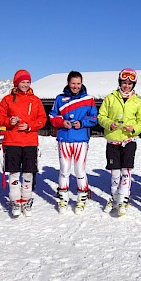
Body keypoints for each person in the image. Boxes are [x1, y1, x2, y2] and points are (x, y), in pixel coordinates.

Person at [0, 69, 47, 217]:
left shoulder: (35, 100)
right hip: (12, 141)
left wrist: (30, 126)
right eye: (22, 82)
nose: (25, 85)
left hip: (30, 142)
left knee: (28, 174)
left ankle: (26, 200)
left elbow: (42, 119)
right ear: (16, 83)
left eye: (28, 82)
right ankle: (15, 201)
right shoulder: (8, 99)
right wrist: (9, 121)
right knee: (14, 173)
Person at [98, 68, 141, 216]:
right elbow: (101, 116)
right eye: (124, 83)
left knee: (125, 171)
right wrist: (109, 124)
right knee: (114, 173)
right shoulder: (110, 98)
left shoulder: (137, 101)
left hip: (129, 141)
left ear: (134, 85)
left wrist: (134, 129)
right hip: (113, 140)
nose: (127, 86)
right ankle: (114, 199)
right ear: (120, 82)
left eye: (130, 83)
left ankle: (124, 200)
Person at [49, 71, 98, 214]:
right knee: (64, 169)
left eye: (78, 83)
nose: (75, 86)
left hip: (81, 139)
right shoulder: (60, 98)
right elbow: (52, 116)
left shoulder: (89, 99)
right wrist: (61, 122)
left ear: (82, 83)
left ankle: (81, 198)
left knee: (79, 170)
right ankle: (63, 198)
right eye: (73, 83)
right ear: (68, 83)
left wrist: (82, 123)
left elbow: (95, 118)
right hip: (64, 138)